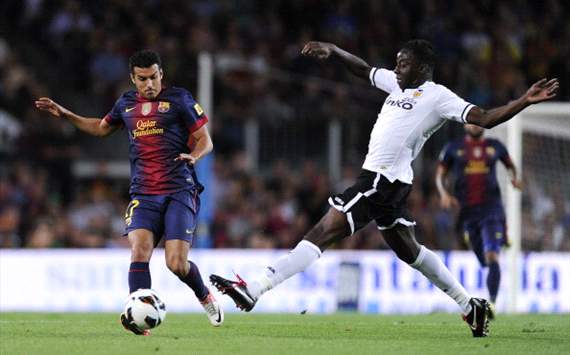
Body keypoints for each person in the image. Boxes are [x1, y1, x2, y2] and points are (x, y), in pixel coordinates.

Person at [210, 39, 558, 338]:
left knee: (324, 230)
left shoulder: (438, 96)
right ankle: (470, 305)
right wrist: (333, 50)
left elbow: (483, 118)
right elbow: (363, 70)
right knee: (411, 251)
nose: (396, 67)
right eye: (396, 62)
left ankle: (255, 289)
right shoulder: (396, 85)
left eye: (403, 63)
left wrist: (524, 101)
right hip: (390, 183)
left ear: (421, 67)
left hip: (381, 179)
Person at [35, 50, 224, 334]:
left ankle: (204, 296)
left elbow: (205, 141)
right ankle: (138, 314)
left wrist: (193, 157)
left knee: (176, 263)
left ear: (161, 74)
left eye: (153, 77)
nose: (149, 84)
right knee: (139, 251)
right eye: (142, 78)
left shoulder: (180, 99)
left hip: (178, 190)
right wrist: (65, 114)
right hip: (144, 193)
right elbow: (100, 128)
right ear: (133, 79)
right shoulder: (125, 103)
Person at [436, 124, 522, 318]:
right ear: (465, 123)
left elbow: (510, 166)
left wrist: (514, 178)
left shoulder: (495, 146)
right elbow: (440, 174)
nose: (475, 124)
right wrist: (444, 194)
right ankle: (493, 238)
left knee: (492, 256)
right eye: (471, 120)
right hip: (467, 213)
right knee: (484, 260)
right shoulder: (453, 147)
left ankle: (491, 302)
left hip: (492, 210)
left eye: (478, 120)